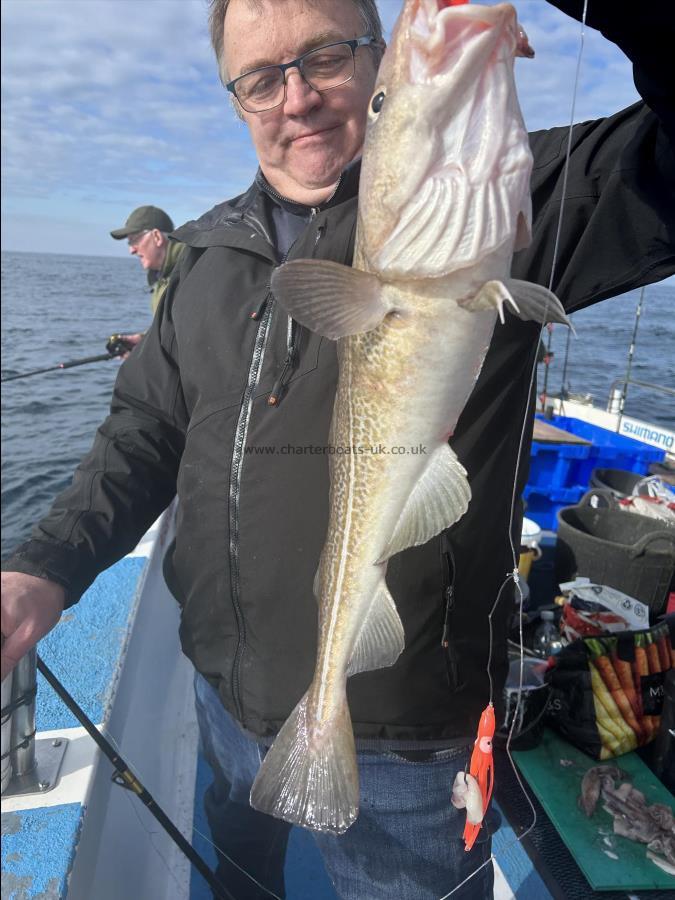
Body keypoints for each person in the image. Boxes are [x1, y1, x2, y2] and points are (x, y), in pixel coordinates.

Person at [2, 1, 674, 898]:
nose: (298, 98)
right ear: (237, 99)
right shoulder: (203, 257)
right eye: (261, 77)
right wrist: (45, 566)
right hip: (224, 697)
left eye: (326, 56)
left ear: (372, 62)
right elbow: (143, 436)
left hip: (408, 744)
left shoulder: (506, 199)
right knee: (241, 880)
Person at [110, 204, 185, 353]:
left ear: (156, 237)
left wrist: (145, 355)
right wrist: (144, 340)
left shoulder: (188, 273)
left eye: (134, 240)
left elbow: (186, 337)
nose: (131, 250)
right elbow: (171, 330)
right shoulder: (163, 277)